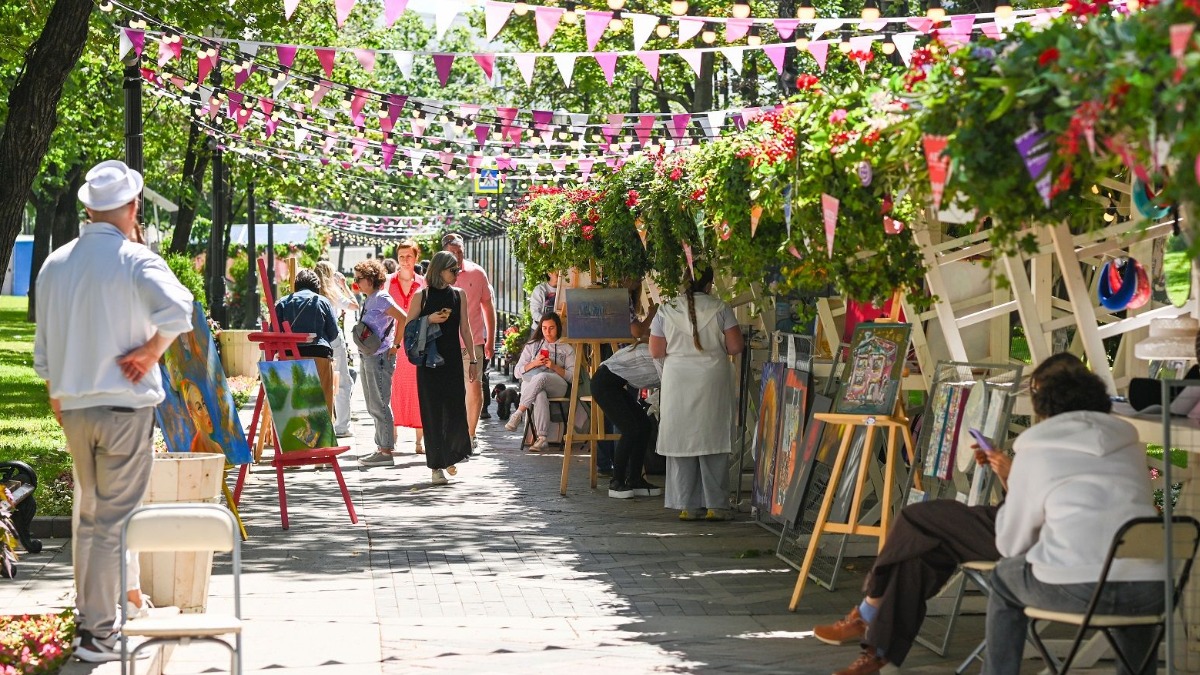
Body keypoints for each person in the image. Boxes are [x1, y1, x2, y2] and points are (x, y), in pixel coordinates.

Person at [33, 160, 194, 662]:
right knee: (111, 523)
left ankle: (92, 622)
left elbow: (44, 351)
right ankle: (97, 633)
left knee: (89, 519)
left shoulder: (55, 263)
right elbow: (179, 310)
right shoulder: (135, 259)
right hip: (122, 407)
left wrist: (59, 394)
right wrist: (149, 353)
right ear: (132, 208)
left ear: (87, 208)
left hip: (75, 406)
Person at [984, 356, 1163, 675]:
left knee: (1003, 576)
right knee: (1133, 571)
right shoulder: (1131, 445)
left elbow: (1011, 545)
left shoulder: (1035, 451)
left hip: (1077, 588)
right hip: (1152, 592)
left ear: (1043, 408)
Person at [648, 266, 743, 521]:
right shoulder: (720, 308)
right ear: (709, 284)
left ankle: (686, 505)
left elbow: (656, 351)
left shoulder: (666, 310)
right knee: (712, 438)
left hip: (678, 380)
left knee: (681, 439)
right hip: (712, 379)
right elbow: (735, 347)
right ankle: (716, 505)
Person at [403, 251, 475, 485]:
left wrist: (473, 359)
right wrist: (429, 320)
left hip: (453, 360)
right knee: (433, 412)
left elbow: (466, 329)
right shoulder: (421, 296)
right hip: (429, 363)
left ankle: (450, 455)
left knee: (455, 409)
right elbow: (408, 328)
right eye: (452, 270)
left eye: (457, 270)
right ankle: (436, 466)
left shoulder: (459, 295)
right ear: (439, 270)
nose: (456, 274)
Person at [442, 233, 495, 451]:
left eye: (460, 252)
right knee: (448, 389)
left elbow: (488, 307)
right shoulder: (436, 275)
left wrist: (490, 339)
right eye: (452, 253)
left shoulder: (476, 272)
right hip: (445, 342)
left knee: (474, 387)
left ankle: (471, 435)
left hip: (472, 343)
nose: (457, 257)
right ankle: (451, 432)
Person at [352, 260, 407, 467]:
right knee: (372, 402)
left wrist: (396, 345)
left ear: (370, 279)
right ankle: (380, 447)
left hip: (380, 357)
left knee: (380, 402)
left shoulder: (381, 297)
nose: (356, 283)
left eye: (359, 279)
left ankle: (385, 451)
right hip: (369, 355)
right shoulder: (370, 298)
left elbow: (403, 318)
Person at [591, 340, 662, 499]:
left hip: (613, 385)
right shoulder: (655, 353)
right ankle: (616, 481)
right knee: (630, 429)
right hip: (603, 384)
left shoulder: (653, 349)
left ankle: (635, 479)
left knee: (644, 426)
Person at [505, 312, 576, 451]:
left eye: (551, 328)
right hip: (534, 385)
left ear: (558, 328)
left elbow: (573, 377)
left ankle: (518, 413)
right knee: (539, 394)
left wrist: (554, 366)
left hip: (557, 384)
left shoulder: (566, 347)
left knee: (542, 377)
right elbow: (517, 372)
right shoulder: (533, 345)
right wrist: (534, 363)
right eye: (544, 328)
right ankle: (542, 438)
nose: (547, 332)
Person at [274, 269, 340, 415]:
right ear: (317, 287)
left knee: (293, 409)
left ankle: (294, 437)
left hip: (288, 358)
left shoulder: (283, 303)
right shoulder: (322, 301)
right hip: (319, 355)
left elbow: (274, 332)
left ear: (295, 286)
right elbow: (333, 333)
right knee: (321, 406)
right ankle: (322, 436)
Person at [387, 240, 427, 454]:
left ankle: (419, 441)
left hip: (415, 343)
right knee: (392, 389)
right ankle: (391, 438)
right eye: (401, 256)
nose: (404, 260)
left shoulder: (423, 283)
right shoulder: (388, 282)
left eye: (408, 256)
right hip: (392, 343)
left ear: (416, 258)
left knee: (417, 390)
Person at [314, 261, 359, 437]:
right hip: (334, 340)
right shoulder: (333, 294)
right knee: (343, 383)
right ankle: (341, 426)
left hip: (318, 341)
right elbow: (355, 305)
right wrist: (344, 285)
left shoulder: (315, 293)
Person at [527, 270, 559, 336]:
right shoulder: (540, 289)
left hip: (557, 331)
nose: (560, 276)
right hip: (539, 330)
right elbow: (535, 312)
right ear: (549, 273)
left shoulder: (565, 289)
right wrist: (549, 323)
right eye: (557, 273)